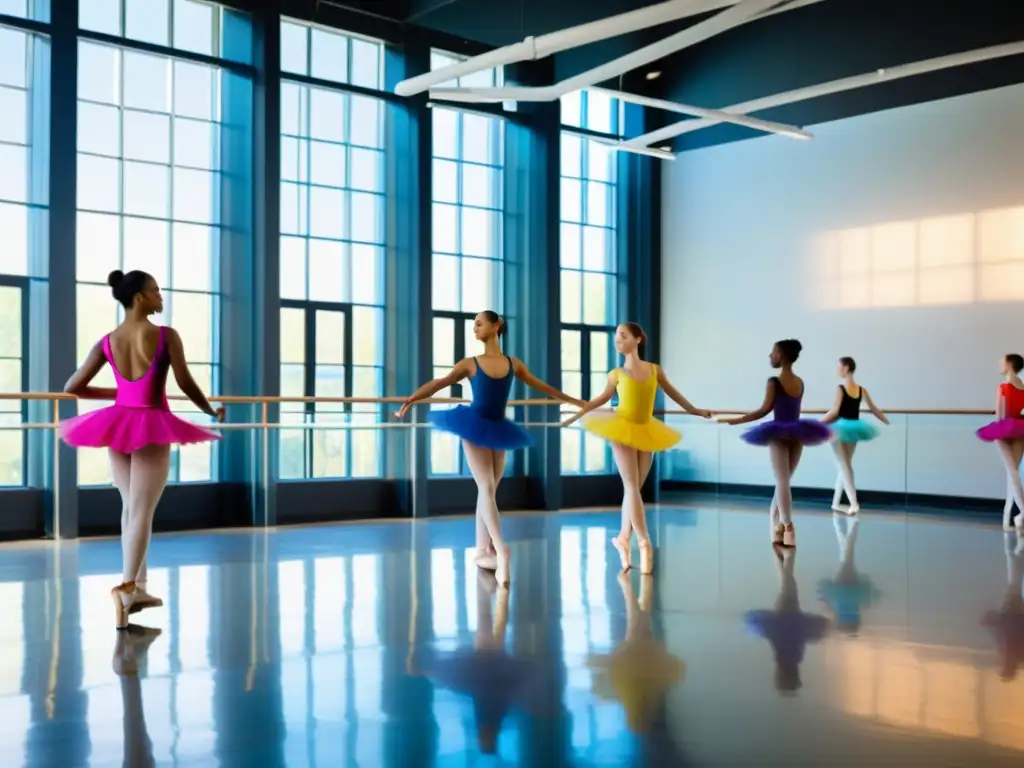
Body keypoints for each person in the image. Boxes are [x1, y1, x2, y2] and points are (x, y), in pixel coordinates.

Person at [61, 270, 224, 628]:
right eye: (155, 291)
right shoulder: (165, 336)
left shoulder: (108, 341)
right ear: (138, 298)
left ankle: (138, 588)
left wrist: (119, 395)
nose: (160, 296)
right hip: (151, 422)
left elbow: (75, 386)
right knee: (142, 512)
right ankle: (127, 587)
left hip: (119, 423)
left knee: (131, 509)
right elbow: (184, 381)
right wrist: (210, 410)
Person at [395, 311, 582, 587]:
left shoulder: (513, 363)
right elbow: (440, 383)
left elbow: (542, 386)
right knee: (486, 488)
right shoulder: (470, 364)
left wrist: (575, 401)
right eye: (473, 325)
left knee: (489, 490)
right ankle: (500, 548)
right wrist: (411, 399)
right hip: (474, 426)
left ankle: (485, 549)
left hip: (497, 427)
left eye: (479, 324)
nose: (475, 329)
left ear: (497, 326)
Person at [561, 322, 711, 574]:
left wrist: (695, 410)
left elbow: (675, 394)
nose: (617, 340)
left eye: (623, 336)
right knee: (632, 488)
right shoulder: (616, 374)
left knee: (634, 491)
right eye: (616, 336)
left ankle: (622, 537)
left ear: (638, 339)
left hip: (646, 429)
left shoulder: (655, 370)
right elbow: (599, 400)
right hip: (622, 428)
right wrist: (574, 416)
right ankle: (644, 543)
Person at [721, 339, 831, 548]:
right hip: (797, 432)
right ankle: (778, 526)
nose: (769, 356)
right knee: (784, 481)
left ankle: (788, 527)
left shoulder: (774, 382)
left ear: (781, 356)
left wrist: (737, 420)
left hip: (780, 433)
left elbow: (764, 410)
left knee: (782, 481)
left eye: (772, 352)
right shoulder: (799, 382)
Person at [820, 357, 889, 514]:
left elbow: (835, 411)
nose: (837, 370)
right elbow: (874, 408)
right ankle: (836, 503)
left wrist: (819, 423)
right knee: (844, 465)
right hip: (855, 428)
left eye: (839, 367)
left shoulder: (841, 388)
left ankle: (854, 504)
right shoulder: (861, 389)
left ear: (846, 368)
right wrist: (886, 420)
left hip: (840, 428)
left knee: (844, 466)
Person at [976, 354, 1024, 532]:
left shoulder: (1003, 387)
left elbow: (1000, 416)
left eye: (1002, 362)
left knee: (1012, 473)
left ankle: (1020, 515)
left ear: (1010, 365)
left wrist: (999, 431)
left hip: (1005, 430)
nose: (1000, 365)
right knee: (1013, 475)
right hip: (1020, 430)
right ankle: (1012, 519)